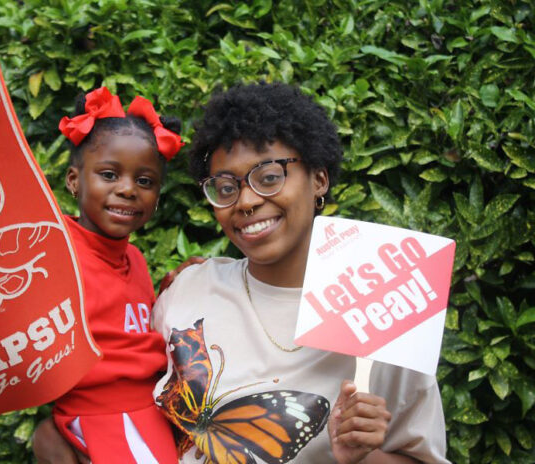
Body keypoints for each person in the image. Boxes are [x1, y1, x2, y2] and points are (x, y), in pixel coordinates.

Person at [33, 82, 449, 464]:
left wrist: (363, 458)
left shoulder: (384, 314)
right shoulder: (188, 291)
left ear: (319, 179)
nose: (246, 201)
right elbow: (120, 390)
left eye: (269, 177)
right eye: (226, 187)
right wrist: (53, 432)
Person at [41, 86, 183, 464]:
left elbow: (128, 327)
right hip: (103, 418)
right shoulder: (55, 252)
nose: (127, 189)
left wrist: (176, 287)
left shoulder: (133, 257)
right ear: (74, 180)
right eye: (109, 174)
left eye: (145, 181)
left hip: (150, 412)